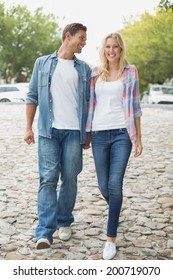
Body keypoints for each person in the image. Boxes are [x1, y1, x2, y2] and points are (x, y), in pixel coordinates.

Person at [24, 23, 91, 249]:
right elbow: (32, 96)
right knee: (48, 179)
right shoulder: (42, 63)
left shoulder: (84, 69)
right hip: (48, 131)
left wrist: (87, 133)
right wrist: (28, 127)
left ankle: (64, 221)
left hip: (73, 132)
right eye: (81, 38)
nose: (84, 42)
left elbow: (89, 103)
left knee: (70, 178)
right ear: (68, 36)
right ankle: (44, 231)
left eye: (85, 39)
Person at [86, 32, 143, 260]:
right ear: (104, 49)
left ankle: (110, 238)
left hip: (122, 133)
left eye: (116, 47)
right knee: (103, 186)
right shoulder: (95, 73)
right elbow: (89, 105)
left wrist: (138, 137)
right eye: (108, 46)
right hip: (99, 133)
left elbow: (136, 106)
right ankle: (115, 208)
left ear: (121, 50)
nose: (111, 50)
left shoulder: (131, 72)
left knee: (114, 183)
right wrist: (87, 134)